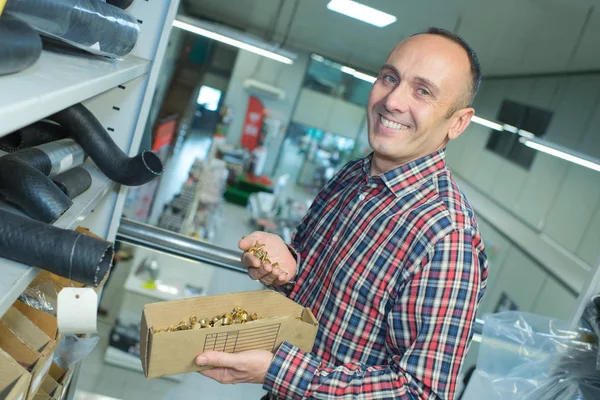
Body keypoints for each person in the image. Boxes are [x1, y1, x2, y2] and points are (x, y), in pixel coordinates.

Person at [195, 27, 489, 400]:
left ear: (458, 122)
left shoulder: (447, 239)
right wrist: (286, 264)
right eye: (389, 78)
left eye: (423, 91)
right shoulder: (353, 176)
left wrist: (280, 370)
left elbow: (420, 392)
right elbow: (326, 292)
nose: (393, 100)